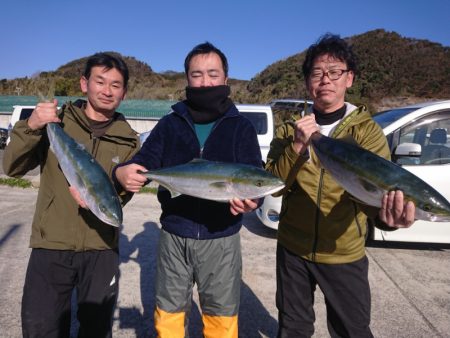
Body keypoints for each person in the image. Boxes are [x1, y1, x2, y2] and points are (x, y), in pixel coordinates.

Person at [265, 33, 416, 338]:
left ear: (349, 79)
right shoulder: (288, 130)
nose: (326, 80)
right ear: (308, 82)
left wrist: (387, 219)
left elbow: (376, 190)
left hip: (344, 252)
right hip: (293, 249)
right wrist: (295, 147)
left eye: (335, 72)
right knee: (292, 329)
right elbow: (272, 185)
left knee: (352, 331)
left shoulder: (367, 133)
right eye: (317, 73)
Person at [114, 42, 261, 337]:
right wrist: (122, 171)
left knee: (222, 316)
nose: (205, 82)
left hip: (221, 238)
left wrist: (253, 201)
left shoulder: (241, 127)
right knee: (169, 314)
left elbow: (254, 176)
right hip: (174, 234)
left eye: (212, 74)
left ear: (226, 80)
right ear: (187, 80)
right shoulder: (170, 124)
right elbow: (145, 160)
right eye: (197, 75)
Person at [3, 52, 140, 337]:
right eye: (100, 81)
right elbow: (12, 167)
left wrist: (122, 186)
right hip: (51, 244)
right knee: (42, 328)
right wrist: (31, 126)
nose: (107, 90)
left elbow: (120, 198)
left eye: (115, 85)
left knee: (95, 330)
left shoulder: (129, 140)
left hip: (101, 249)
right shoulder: (57, 121)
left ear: (124, 92)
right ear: (84, 83)